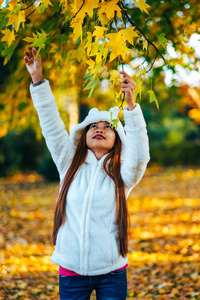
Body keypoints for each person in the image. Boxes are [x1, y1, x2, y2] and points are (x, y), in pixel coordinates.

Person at [24, 47, 150, 300]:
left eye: (107, 127)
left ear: (118, 139)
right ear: (84, 134)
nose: (100, 129)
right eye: (94, 126)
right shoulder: (68, 161)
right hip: (70, 271)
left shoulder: (124, 174)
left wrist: (131, 106)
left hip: (112, 272)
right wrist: (37, 80)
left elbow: (140, 156)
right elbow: (51, 124)